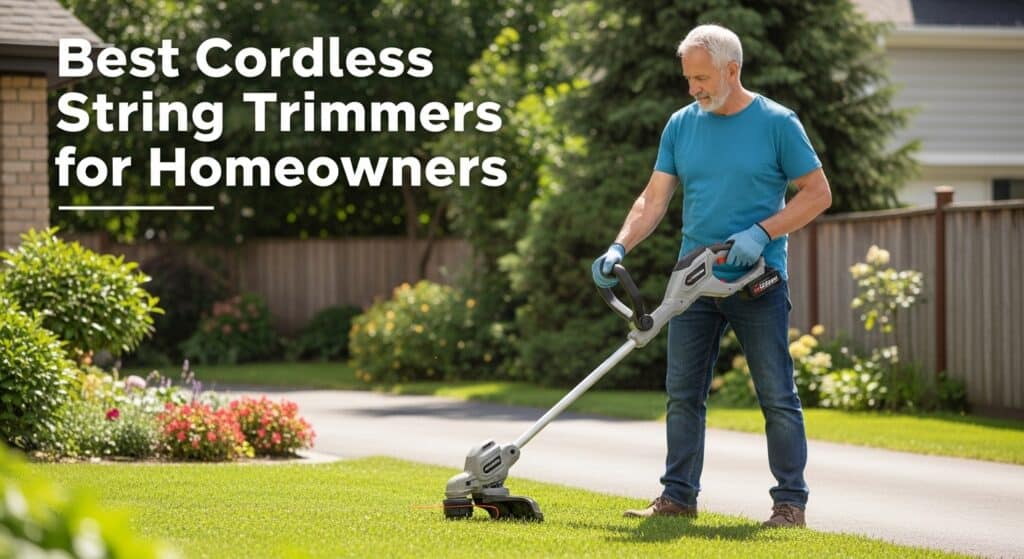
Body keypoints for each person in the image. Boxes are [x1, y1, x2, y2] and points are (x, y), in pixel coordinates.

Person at [592, 24, 832, 528]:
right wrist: (620, 245)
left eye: (701, 78)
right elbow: (653, 199)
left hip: (757, 280)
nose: (693, 88)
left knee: (776, 395)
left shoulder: (777, 123)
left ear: (732, 69)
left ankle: (790, 504)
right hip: (693, 283)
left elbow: (817, 194)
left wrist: (762, 232)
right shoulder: (682, 125)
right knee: (682, 395)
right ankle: (677, 497)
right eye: (689, 79)